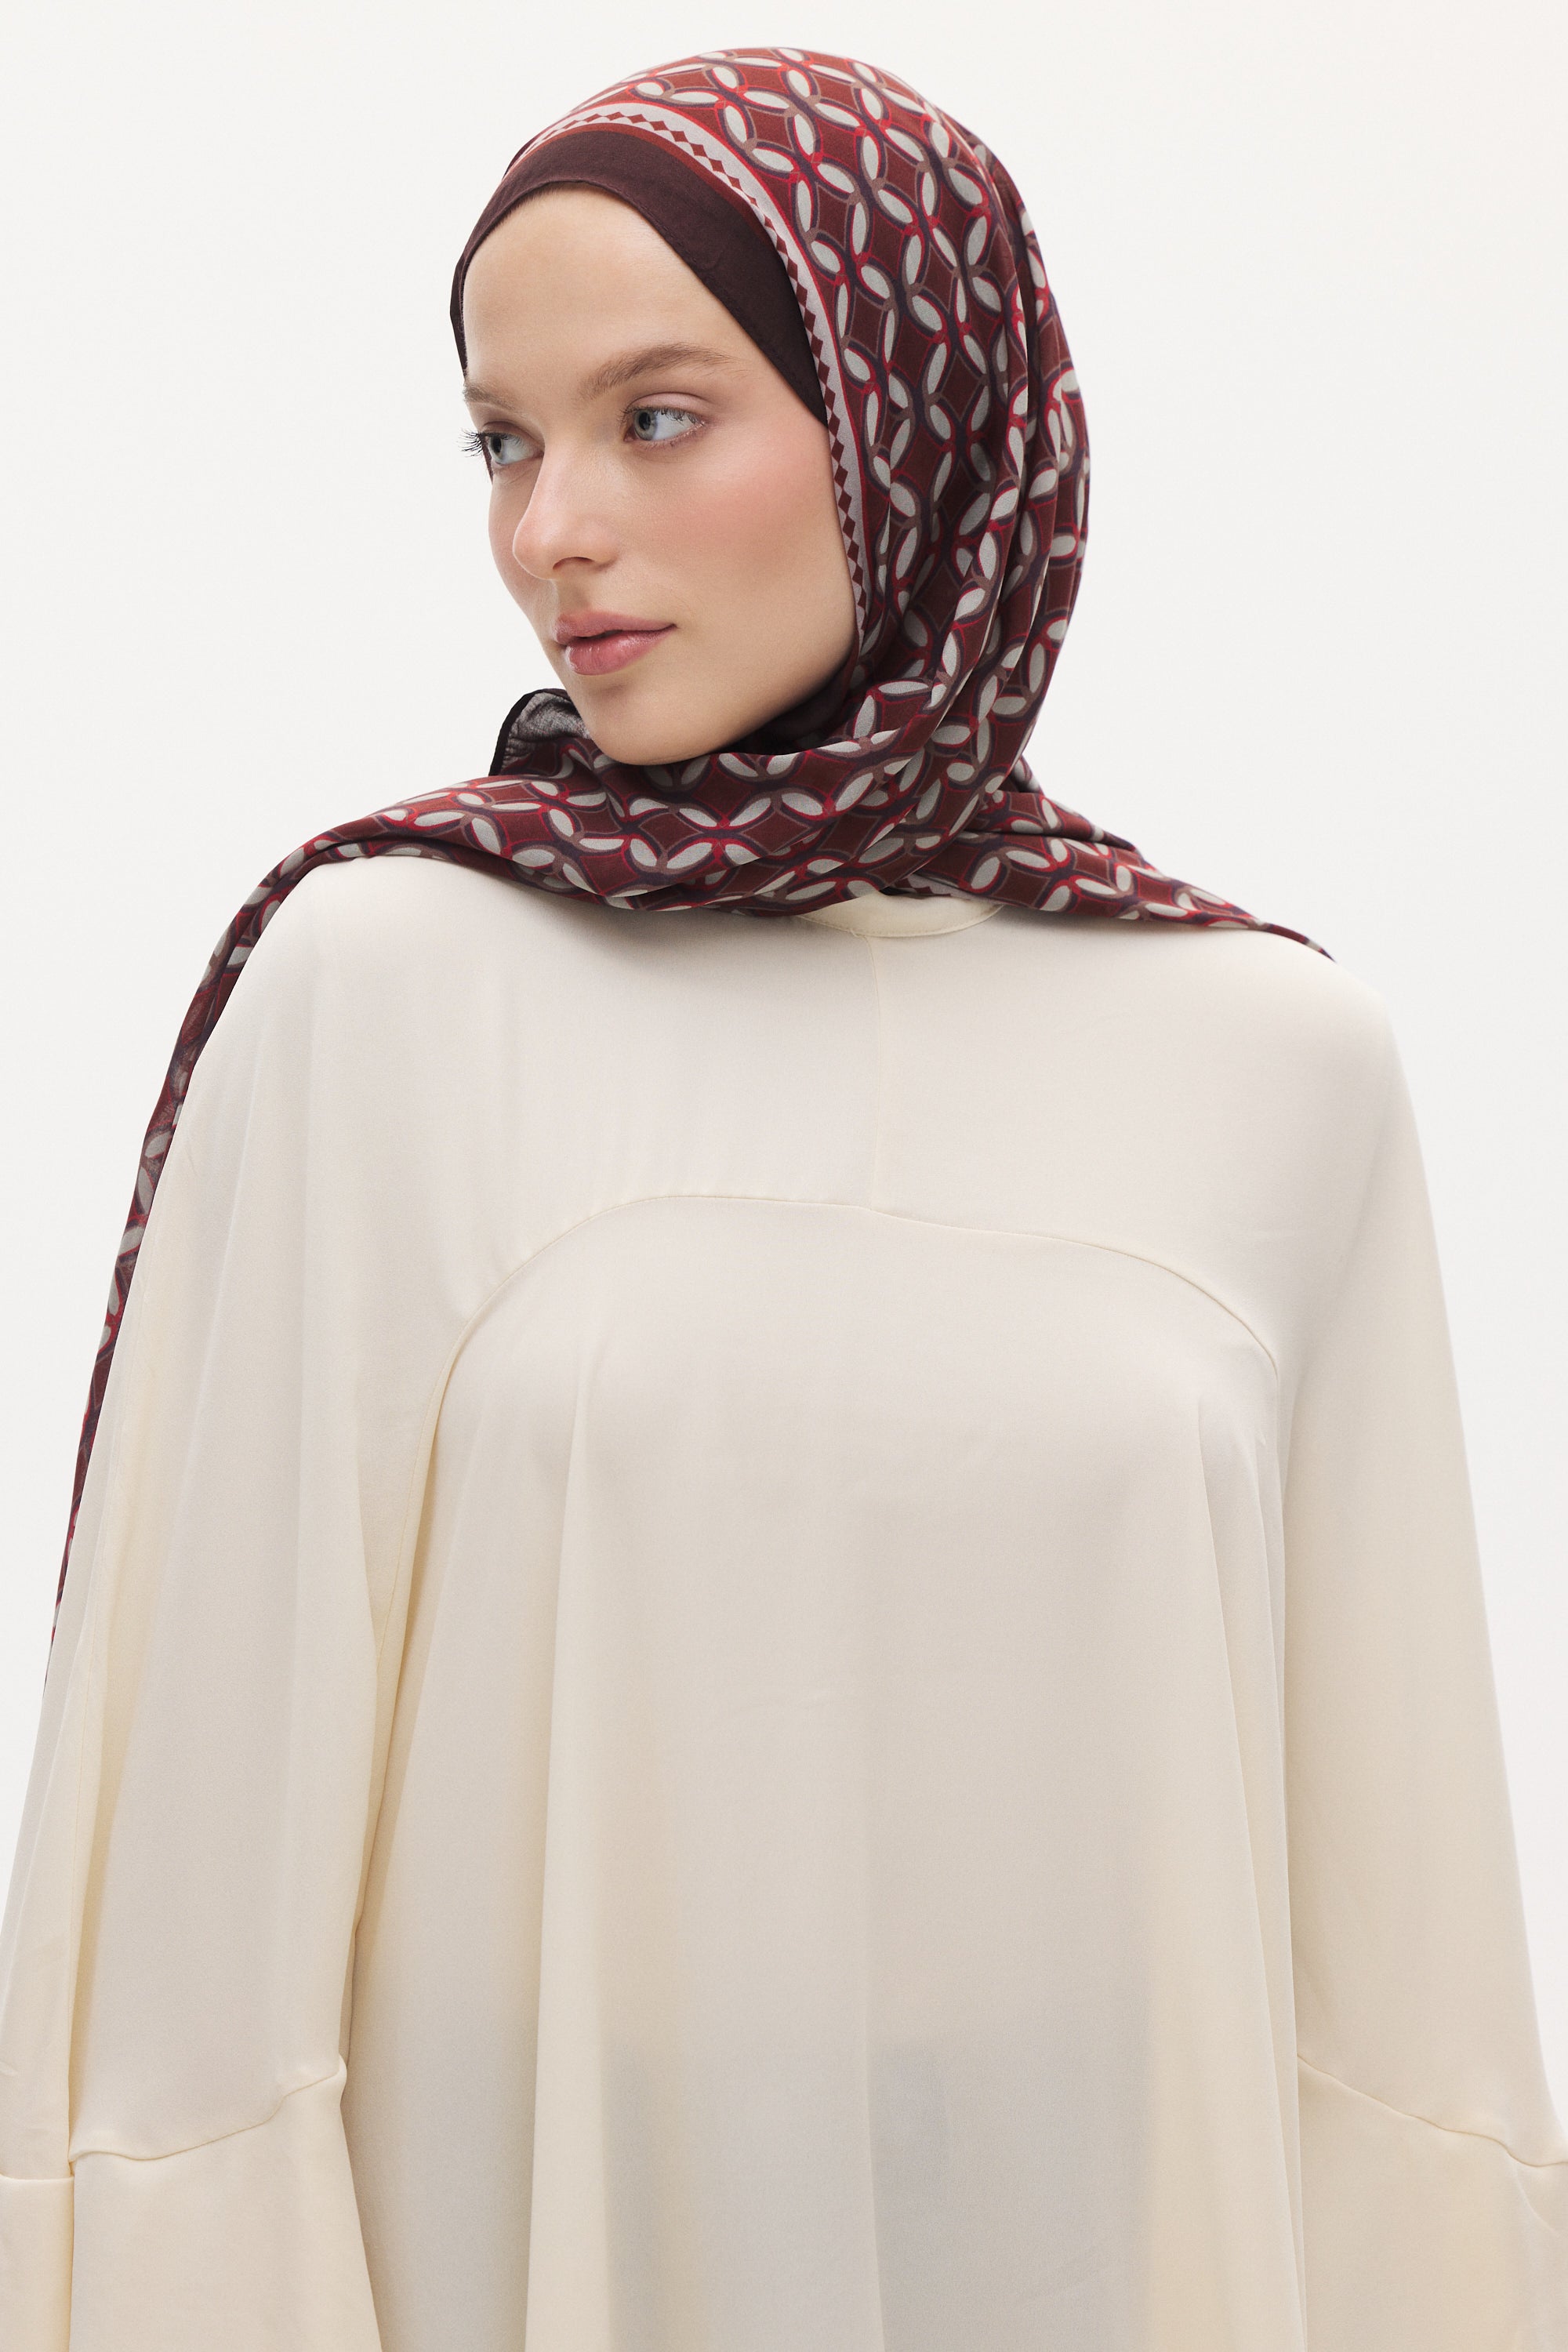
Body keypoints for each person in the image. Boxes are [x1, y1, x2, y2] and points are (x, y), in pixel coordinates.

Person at [1, 43, 1563, 2352]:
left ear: (918, 422)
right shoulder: (393, 985)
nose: (553, 530)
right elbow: (186, 1976)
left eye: (655, 417)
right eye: (502, 441)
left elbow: (1398, 2034)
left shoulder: (1276, 1068)